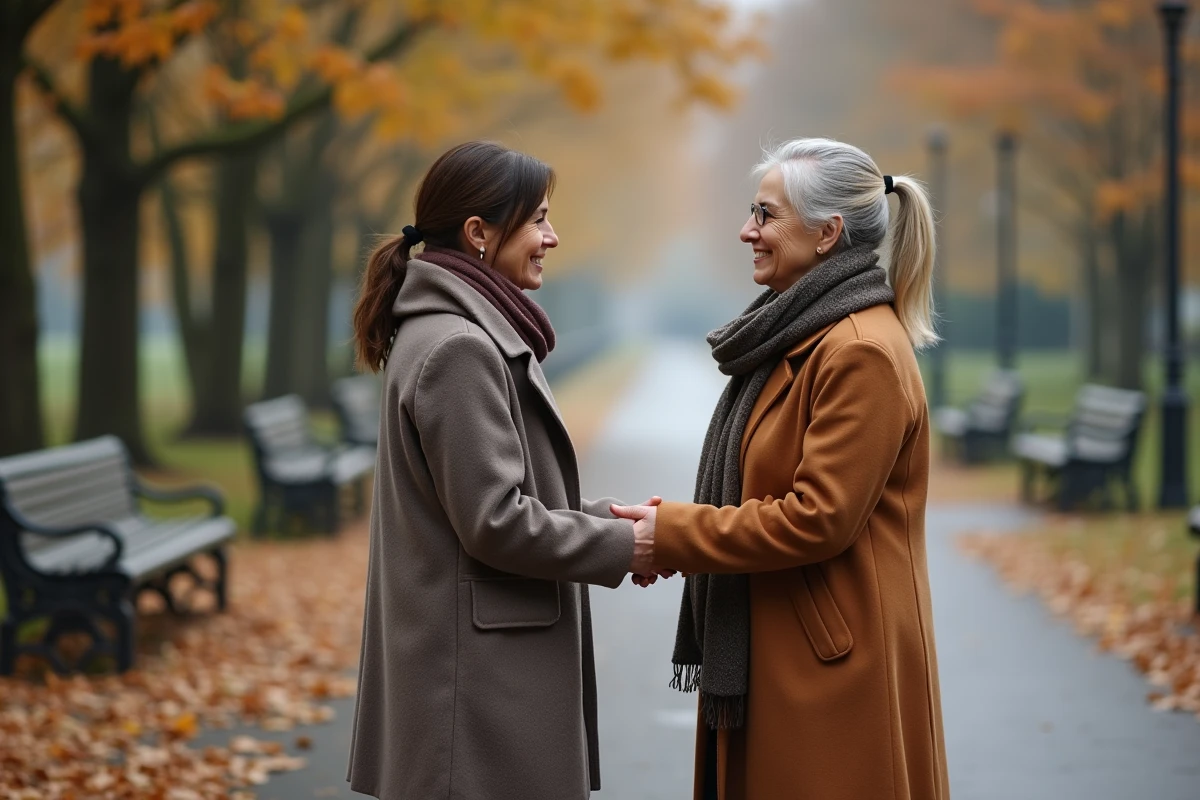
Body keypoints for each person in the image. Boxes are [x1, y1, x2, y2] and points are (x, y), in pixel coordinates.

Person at [613, 137, 948, 800]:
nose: (747, 231)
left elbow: (817, 520)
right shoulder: (801, 334)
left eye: (765, 215)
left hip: (833, 669)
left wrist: (673, 534)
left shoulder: (859, 353)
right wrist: (673, 530)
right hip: (789, 649)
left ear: (827, 234)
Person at [346, 141, 660, 800]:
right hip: (477, 688)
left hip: (474, 674)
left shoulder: (452, 333)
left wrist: (605, 521)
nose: (553, 237)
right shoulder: (460, 348)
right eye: (538, 219)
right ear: (479, 234)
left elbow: (485, 502)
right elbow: (494, 522)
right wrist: (621, 545)